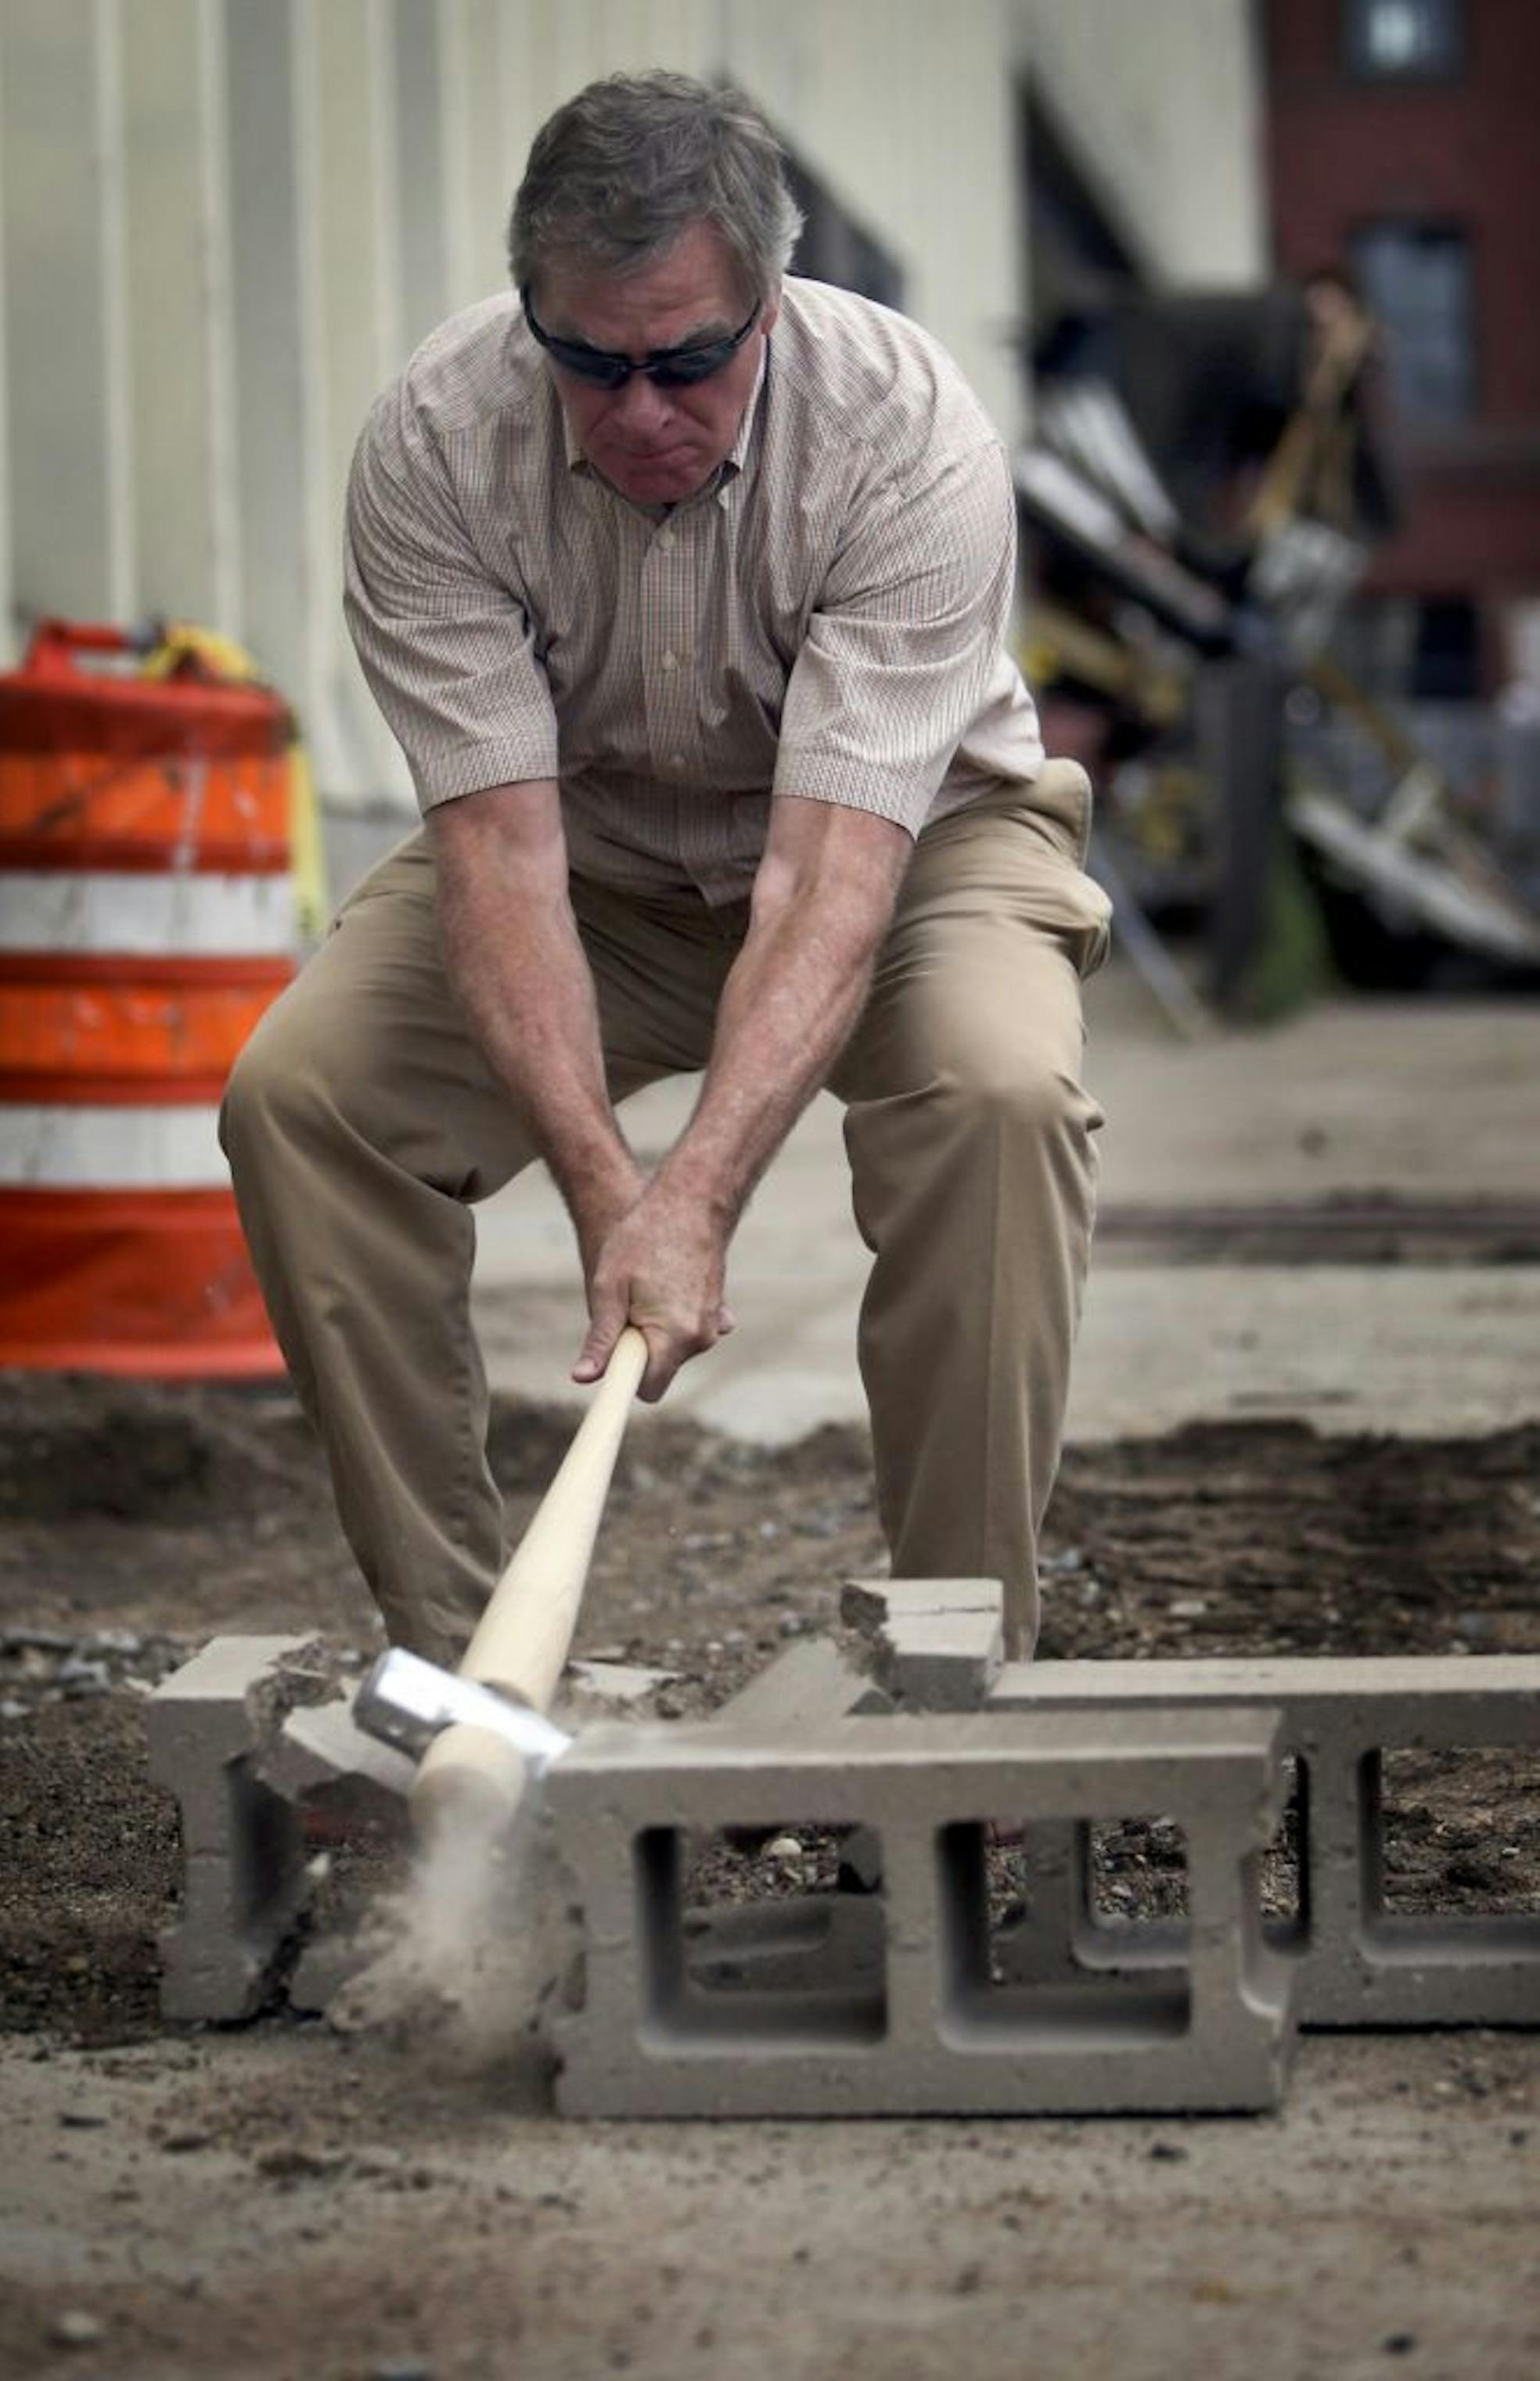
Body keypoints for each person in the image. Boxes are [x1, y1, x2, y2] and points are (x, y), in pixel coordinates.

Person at [221, 70, 1111, 1668]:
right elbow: (495, 859)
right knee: (305, 1100)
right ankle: (467, 1670)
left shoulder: (905, 436)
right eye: (591, 363)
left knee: (997, 1095)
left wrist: (692, 1201)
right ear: (532, 314)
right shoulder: (437, 446)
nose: (640, 411)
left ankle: (955, 1674)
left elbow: (827, 882)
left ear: (767, 306)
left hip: (913, 855)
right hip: (593, 865)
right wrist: (601, 1190)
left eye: (689, 361)